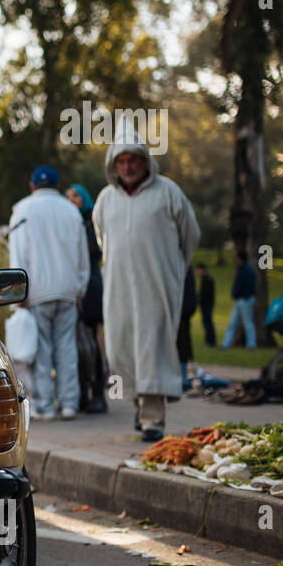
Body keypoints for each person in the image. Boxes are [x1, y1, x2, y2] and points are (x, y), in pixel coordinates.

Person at [92, 125, 200, 441]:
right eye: (121, 162)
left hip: (156, 286)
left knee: (152, 348)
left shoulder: (168, 193)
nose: (127, 167)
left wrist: (173, 269)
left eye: (133, 161)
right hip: (119, 287)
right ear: (114, 165)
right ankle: (140, 407)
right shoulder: (105, 199)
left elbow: (189, 236)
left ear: (145, 161)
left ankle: (154, 419)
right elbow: (102, 238)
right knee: (121, 347)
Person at [9, 165, 90, 421]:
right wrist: (80, 290)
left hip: (37, 290)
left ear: (32, 185)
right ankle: (69, 404)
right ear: (57, 185)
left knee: (41, 351)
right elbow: (82, 257)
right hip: (67, 289)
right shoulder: (71, 211)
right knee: (67, 348)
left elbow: (18, 254)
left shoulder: (22, 209)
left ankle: (44, 406)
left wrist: (18, 292)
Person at [65, 183, 108, 413]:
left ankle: (98, 393)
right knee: (74, 344)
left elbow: (99, 249)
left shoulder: (91, 222)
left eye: (76, 196)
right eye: (68, 196)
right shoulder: (68, 222)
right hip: (73, 286)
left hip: (90, 287)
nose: (72, 199)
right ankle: (81, 392)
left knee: (91, 343)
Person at [221, 251, 257, 349]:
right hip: (239, 300)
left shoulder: (247, 270)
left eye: (237, 258)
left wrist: (245, 296)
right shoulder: (241, 269)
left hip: (245, 300)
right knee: (232, 323)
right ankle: (226, 344)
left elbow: (250, 286)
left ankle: (251, 345)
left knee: (247, 323)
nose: (235, 260)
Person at [196, 263, 216, 346]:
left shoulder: (207, 280)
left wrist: (199, 298)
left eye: (198, 270)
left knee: (208, 323)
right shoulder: (205, 279)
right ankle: (209, 340)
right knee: (206, 323)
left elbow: (205, 294)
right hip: (206, 304)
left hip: (207, 304)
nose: (197, 272)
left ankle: (210, 341)